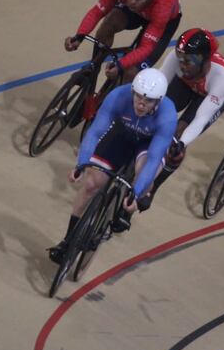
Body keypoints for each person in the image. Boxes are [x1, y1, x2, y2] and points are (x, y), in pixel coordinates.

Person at [48, 68, 177, 264]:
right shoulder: (118, 96)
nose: (141, 103)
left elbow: (153, 159)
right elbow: (94, 132)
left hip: (148, 145)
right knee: (91, 184)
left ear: (158, 101)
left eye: (148, 100)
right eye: (138, 96)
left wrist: (136, 193)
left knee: (145, 176)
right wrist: (81, 164)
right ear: (132, 91)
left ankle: (125, 211)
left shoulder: (167, 116)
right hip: (122, 135)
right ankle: (67, 241)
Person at [138, 28, 224, 210]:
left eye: (188, 61)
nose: (182, 64)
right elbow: (157, 87)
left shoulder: (222, 77)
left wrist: (181, 143)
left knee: (178, 135)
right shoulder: (176, 60)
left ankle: (153, 187)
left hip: (207, 96)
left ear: (204, 60)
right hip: (185, 84)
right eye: (180, 57)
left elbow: (201, 118)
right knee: (155, 112)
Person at [64, 0, 182, 83]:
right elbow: (96, 12)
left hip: (164, 21)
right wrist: (80, 35)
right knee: (107, 25)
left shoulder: (163, 4)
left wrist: (121, 65)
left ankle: (111, 94)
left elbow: (147, 46)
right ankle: (94, 69)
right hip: (137, 12)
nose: (132, 1)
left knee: (131, 72)